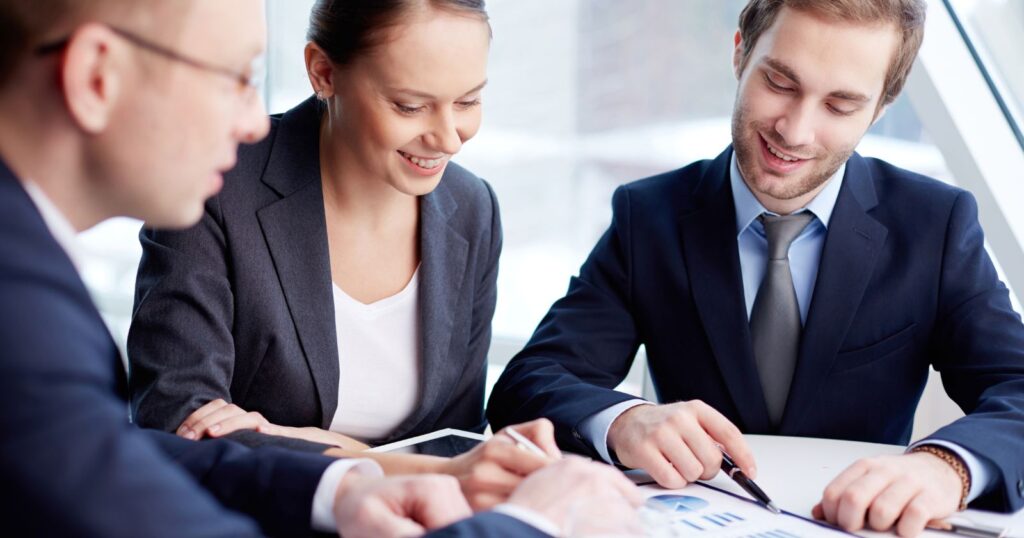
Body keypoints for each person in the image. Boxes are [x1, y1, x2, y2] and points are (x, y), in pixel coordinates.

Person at [0, 0, 643, 536]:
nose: (256, 120)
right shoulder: (24, 308)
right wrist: (531, 526)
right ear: (96, 78)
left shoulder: (34, 271)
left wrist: (346, 484)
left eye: (469, 101)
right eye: (235, 77)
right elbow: (169, 435)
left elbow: (448, 433)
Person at [487, 0, 1024, 535]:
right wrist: (623, 419)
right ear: (741, 52)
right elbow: (528, 384)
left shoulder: (936, 224)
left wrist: (947, 467)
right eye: (781, 83)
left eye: (839, 106)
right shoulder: (649, 217)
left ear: (881, 106)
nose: (795, 131)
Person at [124, 0, 539, 508]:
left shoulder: (472, 208)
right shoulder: (213, 184)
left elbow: (455, 435)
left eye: (469, 101)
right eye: (410, 106)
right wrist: (382, 465)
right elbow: (175, 421)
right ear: (324, 73)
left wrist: (299, 440)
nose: (450, 137)